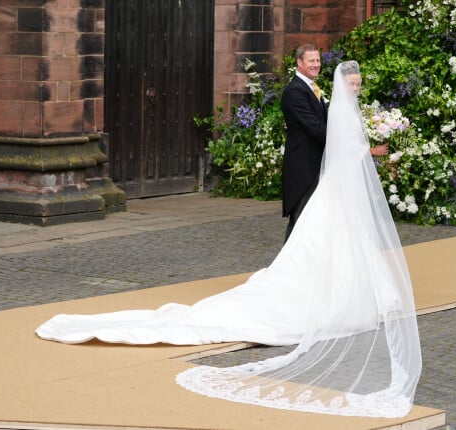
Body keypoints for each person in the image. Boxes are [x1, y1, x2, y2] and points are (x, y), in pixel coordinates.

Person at [36, 61, 422, 419]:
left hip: (337, 190)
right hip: (334, 188)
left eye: (357, 85)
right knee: (322, 242)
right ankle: (329, 292)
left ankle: (355, 290)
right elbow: (336, 146)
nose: (355, 89)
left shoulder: (335, 104)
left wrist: (365, 145)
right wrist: (369, 148)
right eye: (352, 84)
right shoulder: (329, 107)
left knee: (340, 241)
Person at [280, 44, 327, 241]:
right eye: (311, 61)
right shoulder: (294, 92)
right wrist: (343, 140)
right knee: (301, 218)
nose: (316, 65)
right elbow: (314, 127)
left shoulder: (312, 88)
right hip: (303, 167)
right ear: (299, 63)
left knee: (313, 220)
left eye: (318, 60)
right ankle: (288, 267)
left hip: (316, 164)